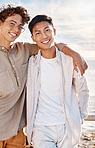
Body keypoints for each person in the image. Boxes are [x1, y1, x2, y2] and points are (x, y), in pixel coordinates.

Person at [0, 5, 87, 148]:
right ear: (0, 23)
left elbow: (47, 43)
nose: (16, 30)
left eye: (20, 26)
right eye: (12, 24)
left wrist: (72, 52)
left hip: (18, 135)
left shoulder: (24, 50)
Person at [26, 15, 89, 148]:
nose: (44, 36)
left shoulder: (70, 61)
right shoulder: (30, 63)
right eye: (38, 33)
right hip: (41, 128)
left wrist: (80, 117)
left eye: (47, 30)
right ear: (33, 38)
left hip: (67, 126)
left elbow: (83, 90)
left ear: (54, 31)